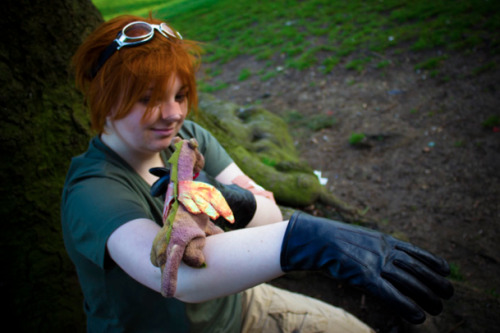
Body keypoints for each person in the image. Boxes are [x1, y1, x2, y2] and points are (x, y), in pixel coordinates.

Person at [62, 15, 453, 333]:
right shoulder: (94, 190)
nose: (174, 113)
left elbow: (269, 215)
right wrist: (307, 241)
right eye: (147, 99)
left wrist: (234, 199)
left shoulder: (188, 140)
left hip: (242, 307)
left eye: (179, 95)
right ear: (104, 100)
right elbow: (182, 280)